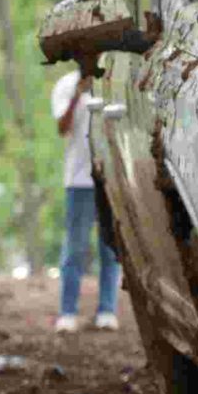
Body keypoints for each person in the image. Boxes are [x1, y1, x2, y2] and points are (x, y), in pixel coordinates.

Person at [51, 64, 120, 333]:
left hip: (110, 178)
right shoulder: (65, 85)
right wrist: (77, 96)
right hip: (79, 180)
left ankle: (107, 310)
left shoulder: (112, 83)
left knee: (110, 248)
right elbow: (62, 127)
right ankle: (68, 312)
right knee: (75, 247)